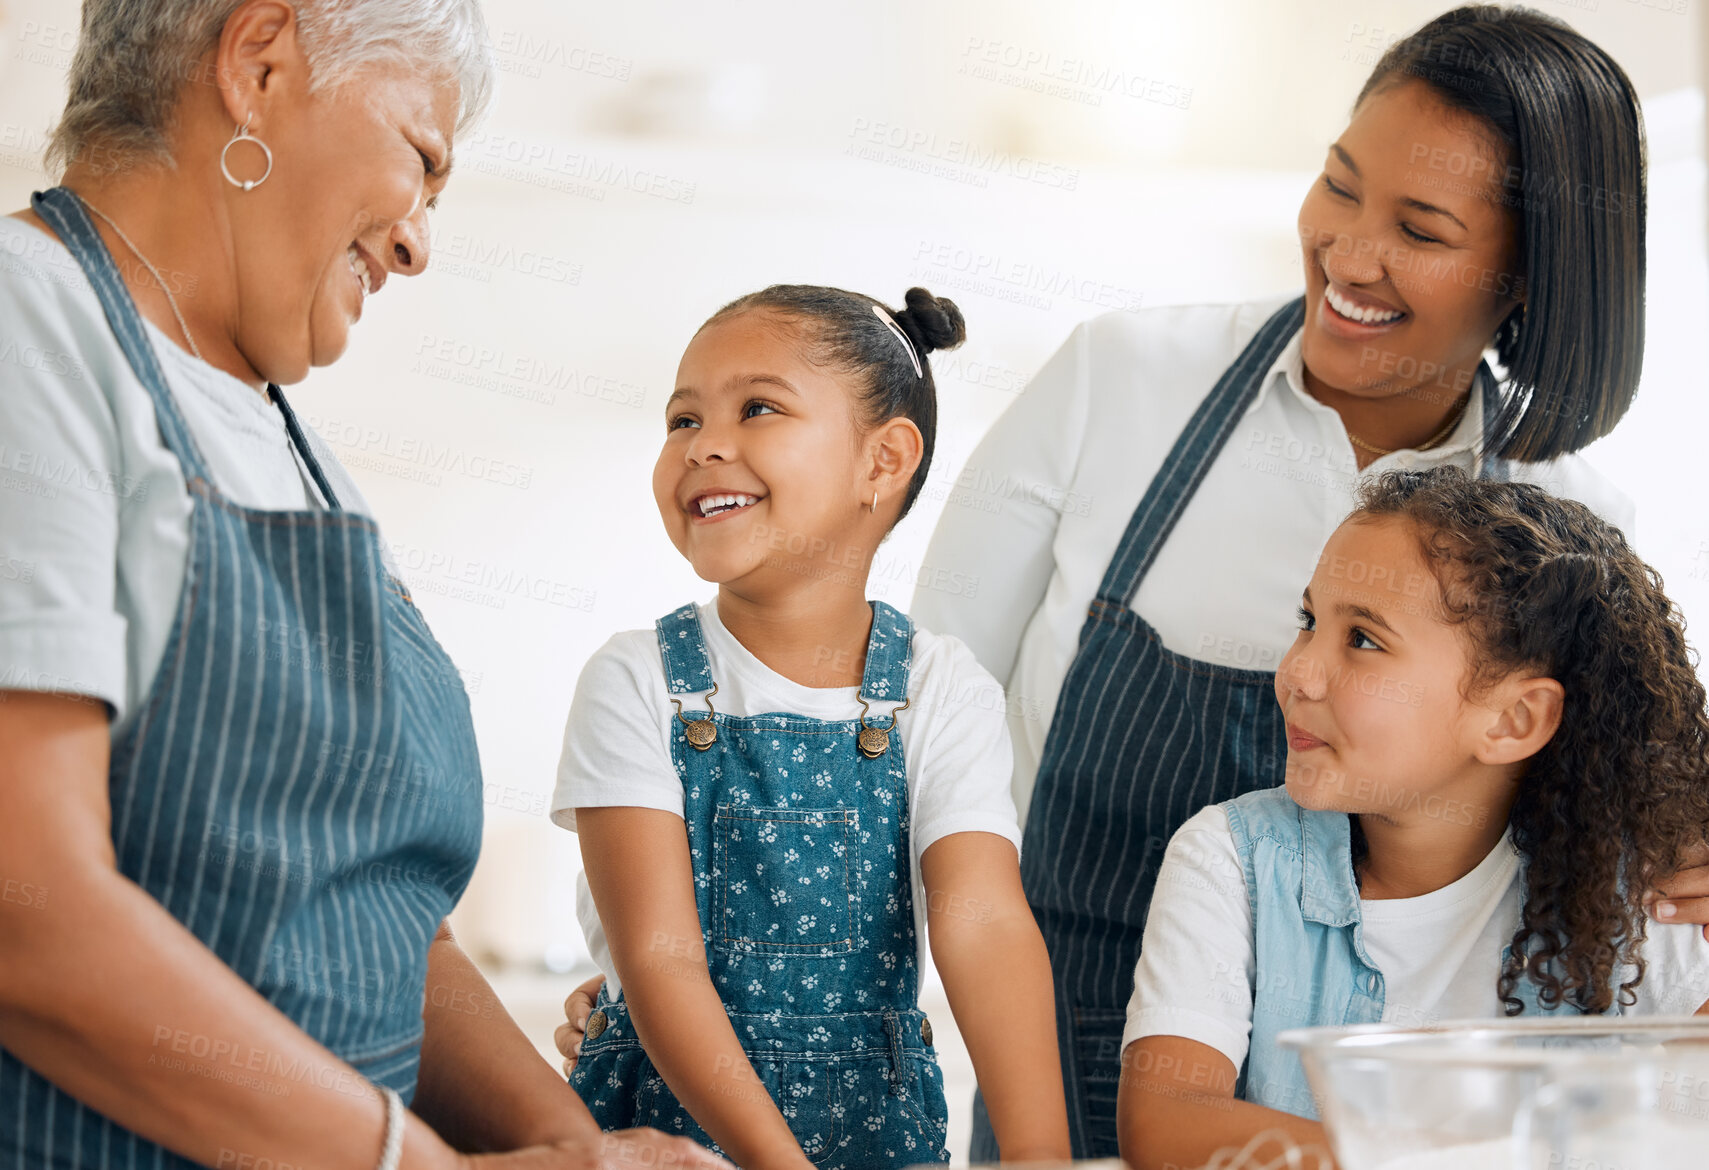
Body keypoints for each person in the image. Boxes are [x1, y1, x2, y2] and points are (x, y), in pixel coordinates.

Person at [903, 7, 1709, 1158]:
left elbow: (1626, 809)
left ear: (1527, 277)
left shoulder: (1571, 523)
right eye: (1338, 187)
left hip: (1420, 1109)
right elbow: (916, 730)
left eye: (1419, 231)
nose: (1348, 254)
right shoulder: (1118, 381)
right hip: (1066, 1061)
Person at [0, 3, 727, 1168]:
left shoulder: (285, 441)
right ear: (260, 61)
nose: (416, 245)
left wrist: (573, 1144)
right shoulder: (27, 322)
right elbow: (23, 909)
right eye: (423, 161)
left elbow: (378, 924)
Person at [548, 286, 1072, 1170]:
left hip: (879, 1132)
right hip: (664, 1133)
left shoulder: (940, 690)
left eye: (757, 408)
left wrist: (1037, 1156)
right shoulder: (635, 681)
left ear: (882, 462)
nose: (703, 444)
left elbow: (981, 922)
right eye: (681, 420)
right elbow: (658, 960)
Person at [1117, 467, 1709, 1168]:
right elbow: (1165, 1123)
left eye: (1362, 640)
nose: (1298, 673)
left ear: (1513, 719)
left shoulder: (1646, 894)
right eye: (1309, 622)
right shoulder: (1231, 859)